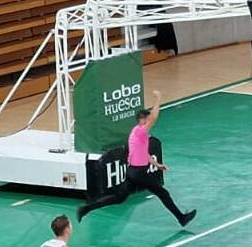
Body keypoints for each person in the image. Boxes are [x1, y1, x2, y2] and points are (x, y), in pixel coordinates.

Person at [76, 90, 198, 226]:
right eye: (147, 120)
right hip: (139, 173)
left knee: (119, 197)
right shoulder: (140, 131)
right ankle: (181, 218)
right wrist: (158, 99)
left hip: (132, 172)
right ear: (143, 120)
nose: (149, 123)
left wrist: (156, 164)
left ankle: (86, 208)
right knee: (163, 193)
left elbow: (144, 153)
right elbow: (154, 118)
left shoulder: (137, 133)